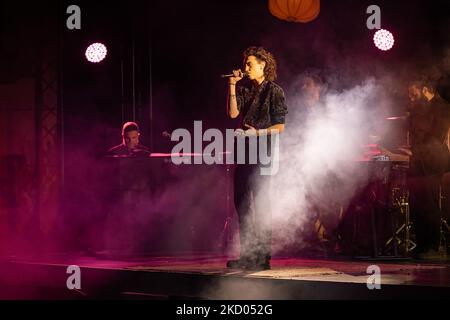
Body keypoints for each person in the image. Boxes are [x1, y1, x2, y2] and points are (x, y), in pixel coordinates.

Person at [226, 46, 288, 270]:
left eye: (250, 64)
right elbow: (233, 113)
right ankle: (247, 255)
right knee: (241, 204)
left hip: (263, 153)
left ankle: (263, 257)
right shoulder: (245, 90)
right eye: (246, 64)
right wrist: (232, 85)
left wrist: (258, 133)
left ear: (262, 65)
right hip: (244, 153)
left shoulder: (275, 91)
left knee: (261, 205)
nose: (246, 68)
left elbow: (280, 126)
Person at [407, 80, 450, 259]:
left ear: (425, 90)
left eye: (413, 94)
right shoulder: (422, 109)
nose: (411, 98)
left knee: (430, 202)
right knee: (417, 203)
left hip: (432, 161)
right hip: (419, 160)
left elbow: (437, 134)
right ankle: (422, 245)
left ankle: (433, 246)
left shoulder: (441, 106)